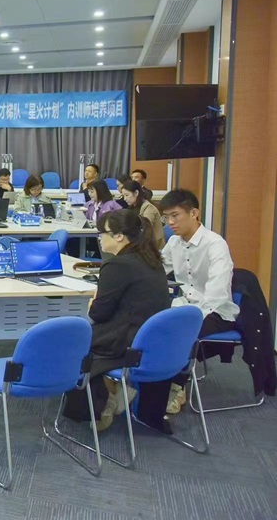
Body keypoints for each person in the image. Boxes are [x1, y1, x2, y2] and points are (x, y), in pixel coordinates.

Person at [62, 209, 171, 431]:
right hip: (151, 338)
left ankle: (106, 399)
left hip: (126, 341)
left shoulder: (117, 265)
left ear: (119, 236)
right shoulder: (151, 259)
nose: (99, 238)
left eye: (102, 233)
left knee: (72, 340)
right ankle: (111, 391)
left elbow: (98, 314)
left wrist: (93, 303)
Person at [160, 189, 239, 414]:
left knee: (181, 332)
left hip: (216, 311)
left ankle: (177, 386)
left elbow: (217, 291)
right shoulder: (174, 242)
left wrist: (192, 317)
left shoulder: (215, 244)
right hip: (185, 306)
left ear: (194, 213)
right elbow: (158, 270)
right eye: (166, 217)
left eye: (175, 215)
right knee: (152, 324)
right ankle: (154, 380)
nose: (170, 222)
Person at [121, 180, 164, 248]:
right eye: (123, 196)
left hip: (152, 246)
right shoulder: (132, 208)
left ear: (136, 193)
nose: (125, 199)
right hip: (139, 243)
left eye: (127, 195)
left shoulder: (149, 208)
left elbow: (145, 229)